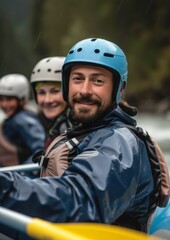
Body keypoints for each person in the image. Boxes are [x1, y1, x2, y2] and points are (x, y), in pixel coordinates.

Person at [0, 38, 158, 239]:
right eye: (77, 79)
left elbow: (82, 202)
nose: (84, 90)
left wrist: (4, 187)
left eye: (97, 81)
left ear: (119, 89)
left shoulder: (118, 141)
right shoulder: (84, 132)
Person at [0, 74, 45, 166]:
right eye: (1, 99)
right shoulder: (15, 118)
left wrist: (21, 174)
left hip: (21, 175)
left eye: (9, 99)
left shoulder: (22, 119)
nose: (4, 104)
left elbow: (40, 150)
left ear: (21, 99)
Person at [30, 56, 75, 148]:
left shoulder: (73, 126)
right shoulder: (39, 121)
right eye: (41, 92)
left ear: (69, 92)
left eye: (55, 91)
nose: (48, 100)